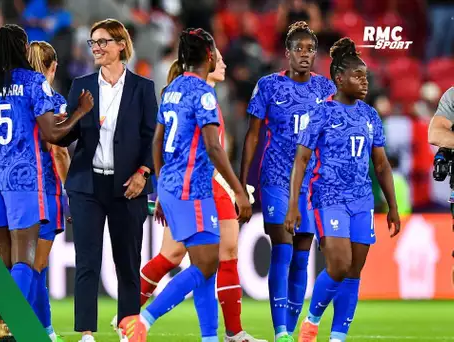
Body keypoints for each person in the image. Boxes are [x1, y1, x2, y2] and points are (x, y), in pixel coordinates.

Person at [123, 27, 252, 342]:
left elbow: (157, 140)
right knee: (207, 265)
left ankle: (210, 337)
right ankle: (144, 320)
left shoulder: (171, 89)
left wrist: (161, 181)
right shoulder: (203, 93)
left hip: (173, 186)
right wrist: (238, 189)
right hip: (192, 189)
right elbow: (214, 146)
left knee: (203, 267)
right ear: (208, 56)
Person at [284, 37, 401, 342]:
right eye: (358, 76)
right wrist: (294, 205)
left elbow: (381, 165)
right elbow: (301, 159)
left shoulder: (370, 116)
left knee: (354, 270)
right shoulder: (320, 113)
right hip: (329, 198)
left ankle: (338, 337)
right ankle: (311, 322)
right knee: (338, 264)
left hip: (362, 201)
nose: (365, 82)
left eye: (366, 76)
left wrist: (393, 206)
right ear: (339, 79)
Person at [53, 19, 157, 342]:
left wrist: (144, 172)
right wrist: (77, 114)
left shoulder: (142, 88)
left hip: (129, 186)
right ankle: (86, 333)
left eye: (102, 42)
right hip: (87, 186)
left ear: (120, 45)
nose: (96, 48)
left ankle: (128, 329)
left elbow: (152, 138)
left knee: (128, 263)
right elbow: (64, 137)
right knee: (87, 261)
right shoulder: (80, 85)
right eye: (93, 43)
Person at [0, 24, 93, 307]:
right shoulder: (33, 82)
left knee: (5, 259)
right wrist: (80, 112)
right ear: (21, 48)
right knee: (27, 259)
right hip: (24, 180)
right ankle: (11, 324)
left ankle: (0, 321)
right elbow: (52, 135)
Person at [239, 21, 335, 342]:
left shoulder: (325, 89)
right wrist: (242, 183)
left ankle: (291, 332)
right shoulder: (268, 86)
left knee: (302, 258)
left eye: (310, 49)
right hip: (276, 179)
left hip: (310, 184)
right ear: (287, 53)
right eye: (299, 49)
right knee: (282, 250)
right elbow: (252, 136)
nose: (305, 55)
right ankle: (280, 331)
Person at [27, 40, 70, 342]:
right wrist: (72, 191)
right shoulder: (54, 101)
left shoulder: (13, 96)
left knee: (31, 266)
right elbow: (58, 152)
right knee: (35, 266)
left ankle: (47, 331)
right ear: (53, 67)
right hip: (43, 191)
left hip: (9, 189)